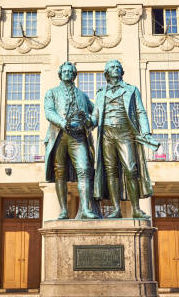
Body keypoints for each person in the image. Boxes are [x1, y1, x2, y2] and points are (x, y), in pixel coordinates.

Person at [90, 59, 158, 218]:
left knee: (130, 169)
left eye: (118, 67)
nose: (115, 69)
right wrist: (88, 122)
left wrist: (146, 132)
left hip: (125, 132)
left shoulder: (131, 90)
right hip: (106, 133)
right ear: (106, 73)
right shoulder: (100, 93)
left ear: (122, 71)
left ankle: (135, 208)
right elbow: (95, 116)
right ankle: (116, 209)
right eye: (112, 67)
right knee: (110, 171)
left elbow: (140, 112)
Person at [44, 61, 98, 219]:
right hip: (59, 135)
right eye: (64, 71)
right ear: (60, 75)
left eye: (70, 71)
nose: (67, 73)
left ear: (74, 75)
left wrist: (90, 121)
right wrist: (62, 122)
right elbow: (49, 111)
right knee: (60, 173)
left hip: (78, 136)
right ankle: (63, 210)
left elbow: (96, 112)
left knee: (84, 169)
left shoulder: (82, 95)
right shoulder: (52, 92)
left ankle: (86, 210)